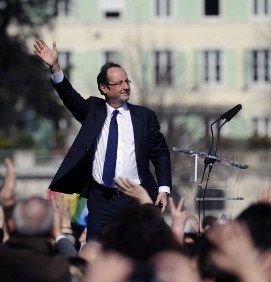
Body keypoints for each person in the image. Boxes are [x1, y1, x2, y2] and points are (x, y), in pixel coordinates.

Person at [33, 39, 172, 240]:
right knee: (96, 250)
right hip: (101, 198)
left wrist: (164, 188)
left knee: (136, 250)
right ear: (104, 88)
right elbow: (70, 97)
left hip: (135, 197)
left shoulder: (144, 117)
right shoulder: (93, 111)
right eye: (119, 83)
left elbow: (160, 153)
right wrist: (55, 67)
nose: (125, 87)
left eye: (127, 81)